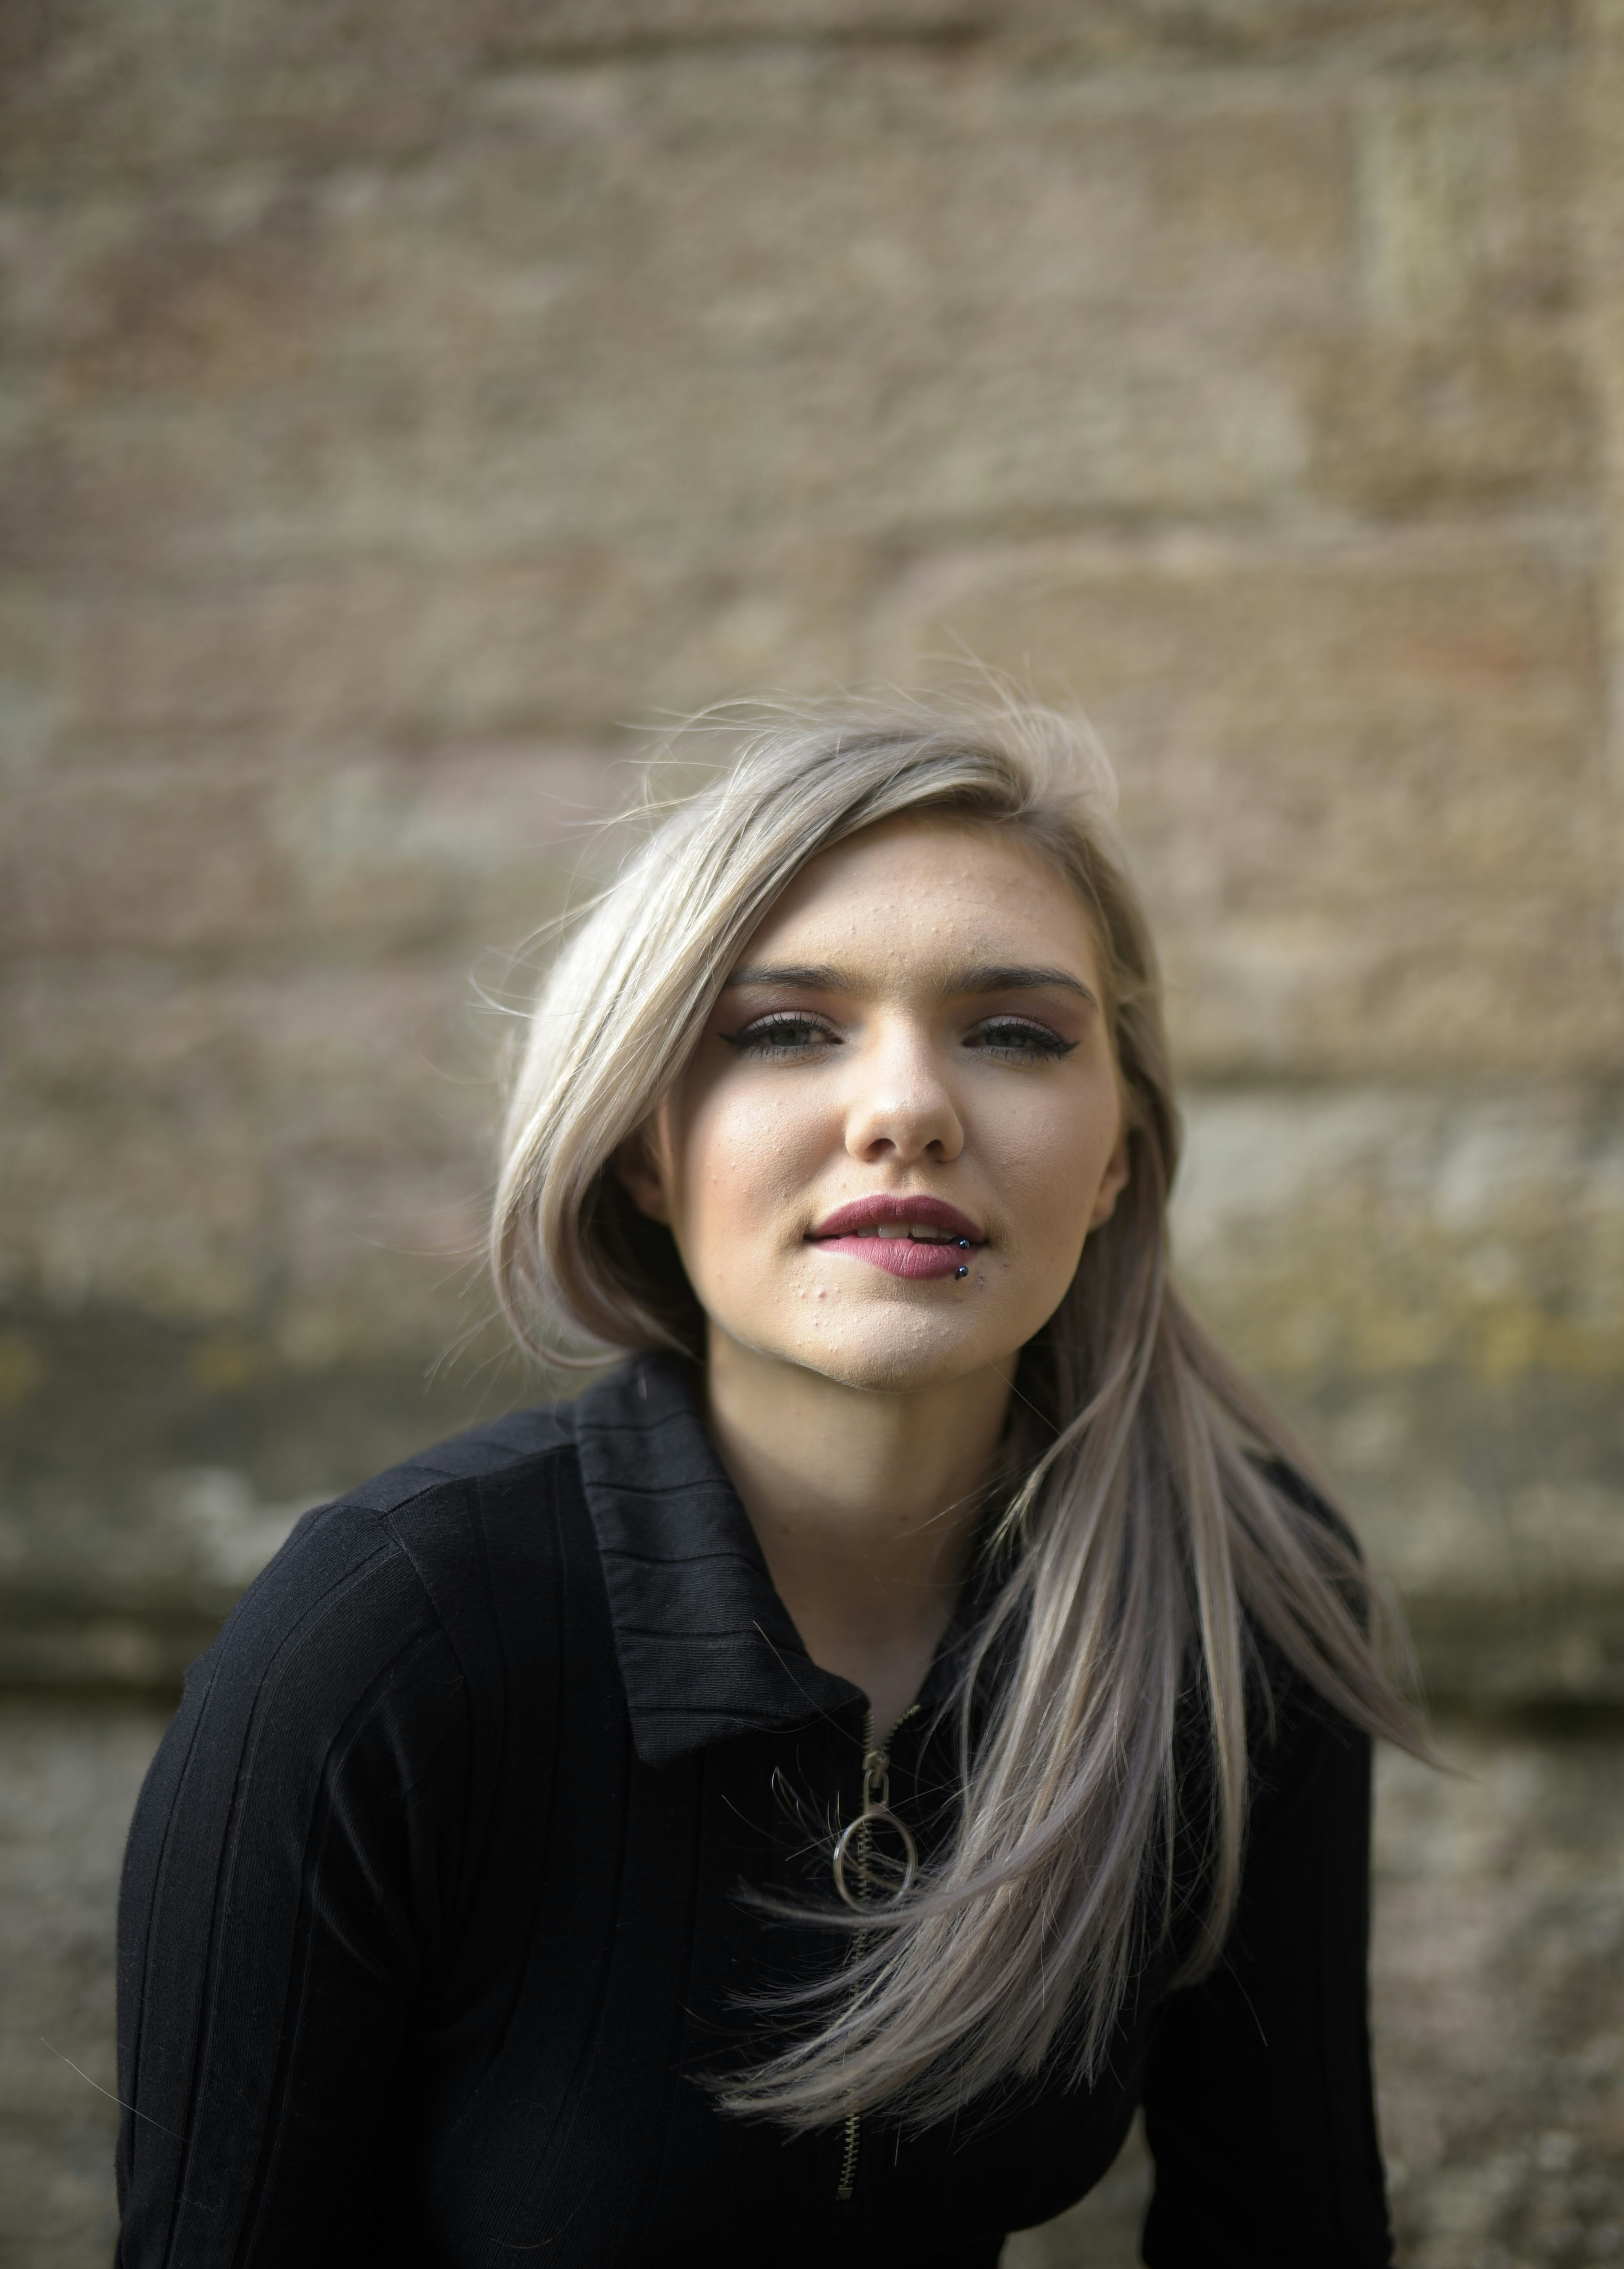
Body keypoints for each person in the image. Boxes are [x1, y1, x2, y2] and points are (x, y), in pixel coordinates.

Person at [115, 699, 1426, 2267]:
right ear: (648, 1148)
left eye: (1013, 1032)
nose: (907, 1111)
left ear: (1122, 1157)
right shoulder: (389, 1638)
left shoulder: (1237, 1603)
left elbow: (1290, 2233)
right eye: (786, 1029)